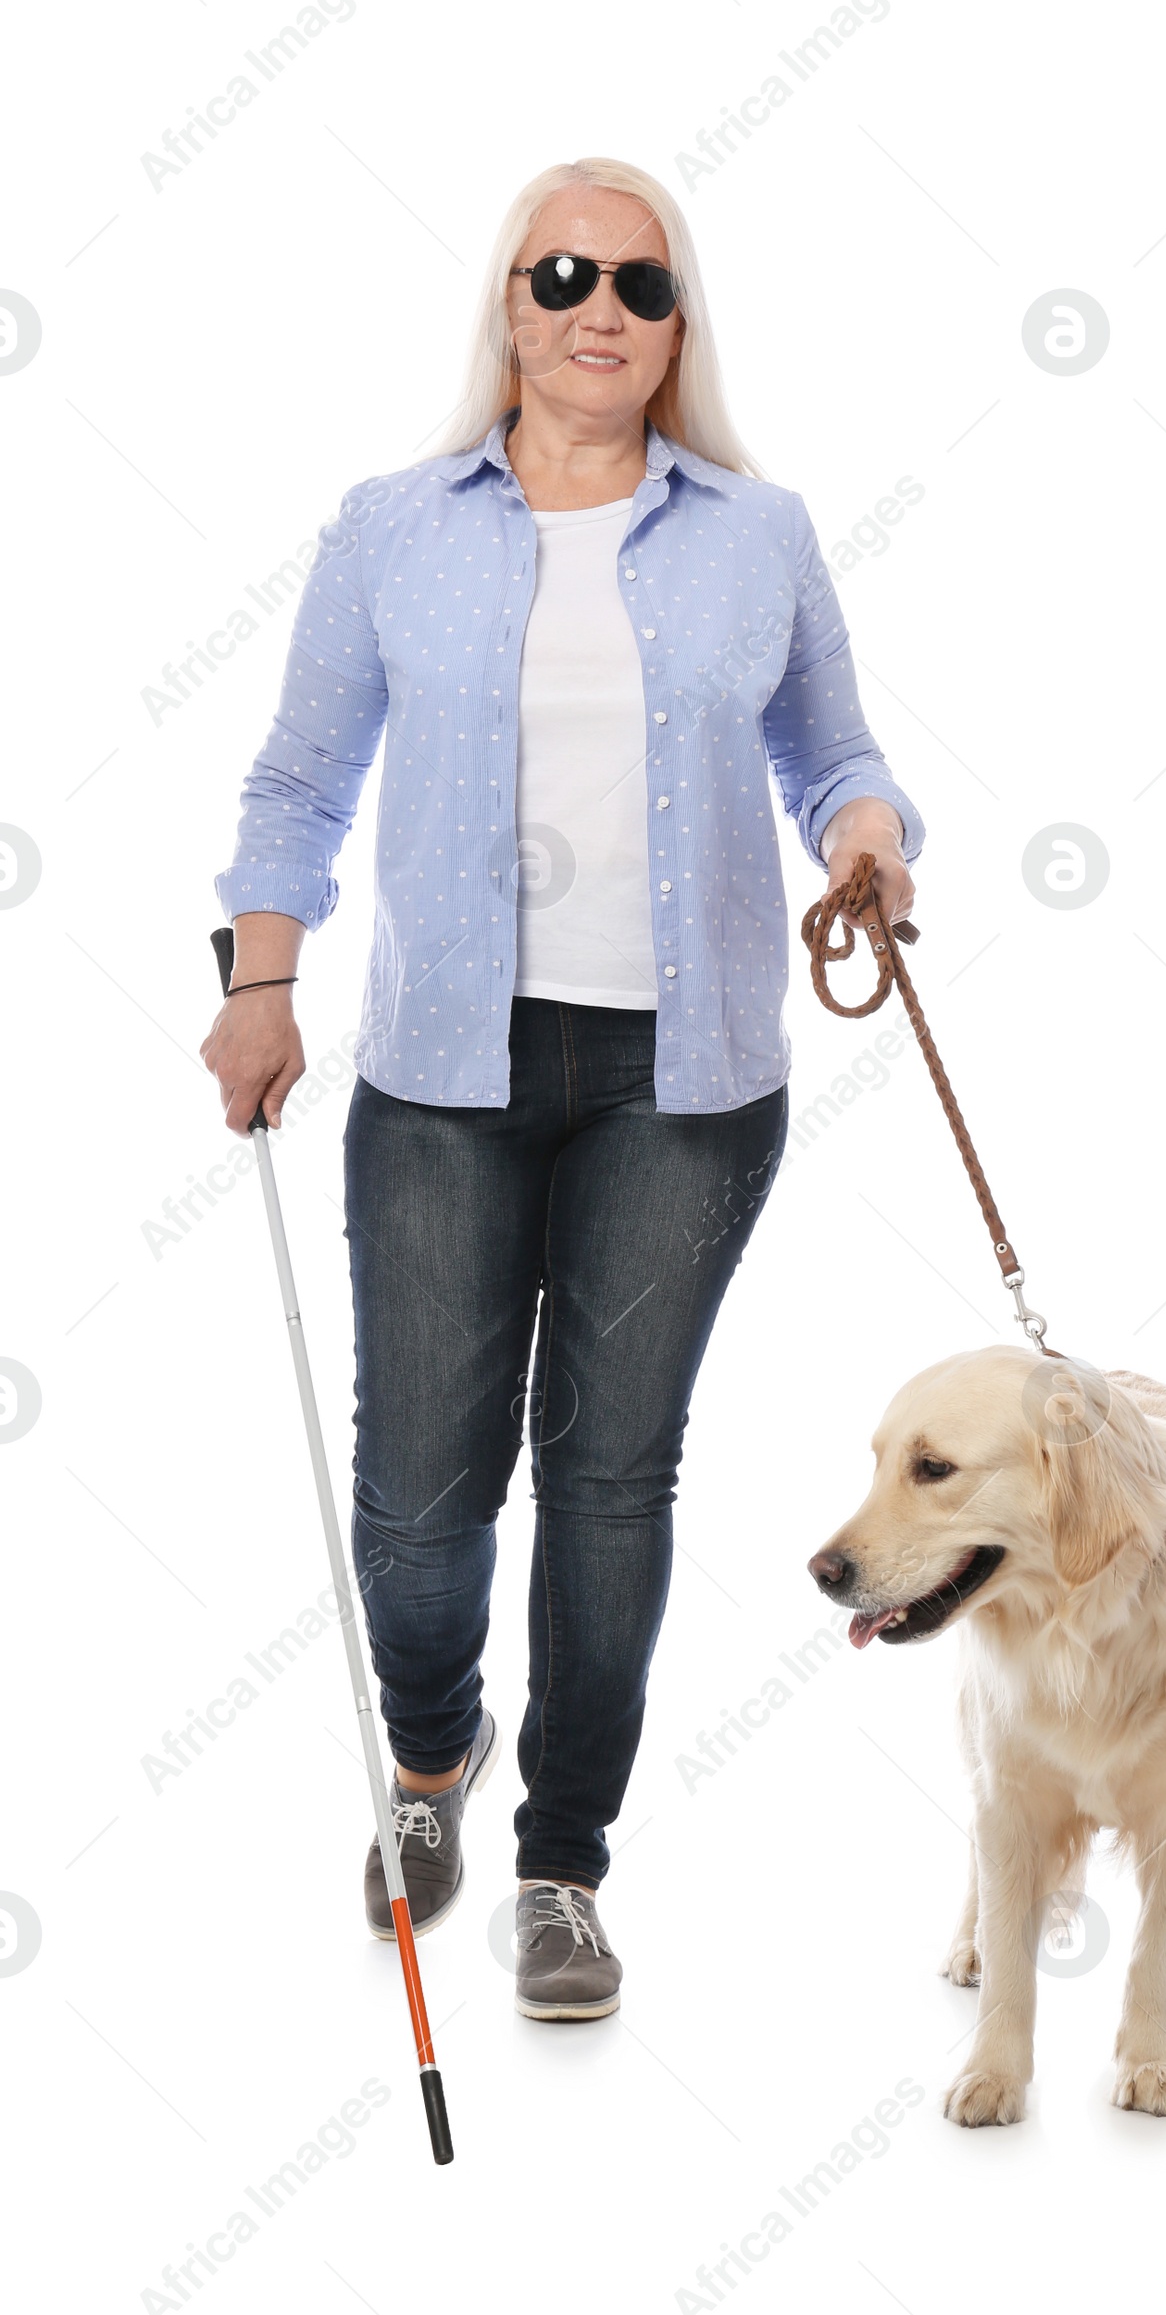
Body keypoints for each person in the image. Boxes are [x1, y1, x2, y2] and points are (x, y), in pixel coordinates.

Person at [200, 156, 923, 2023]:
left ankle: (563, 1862)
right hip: (445, 1065)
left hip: (685, 1083)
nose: (601, 306)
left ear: (680, 327)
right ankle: (433, 1751)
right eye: (563, 270)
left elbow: (832, 746)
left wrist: (866, 838)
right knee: (426, 1501)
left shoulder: (758, 532)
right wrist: (262, 985)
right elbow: (296, 783)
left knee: (613, 1478)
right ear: (510, 306)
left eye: (642, 282)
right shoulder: (391, 526)